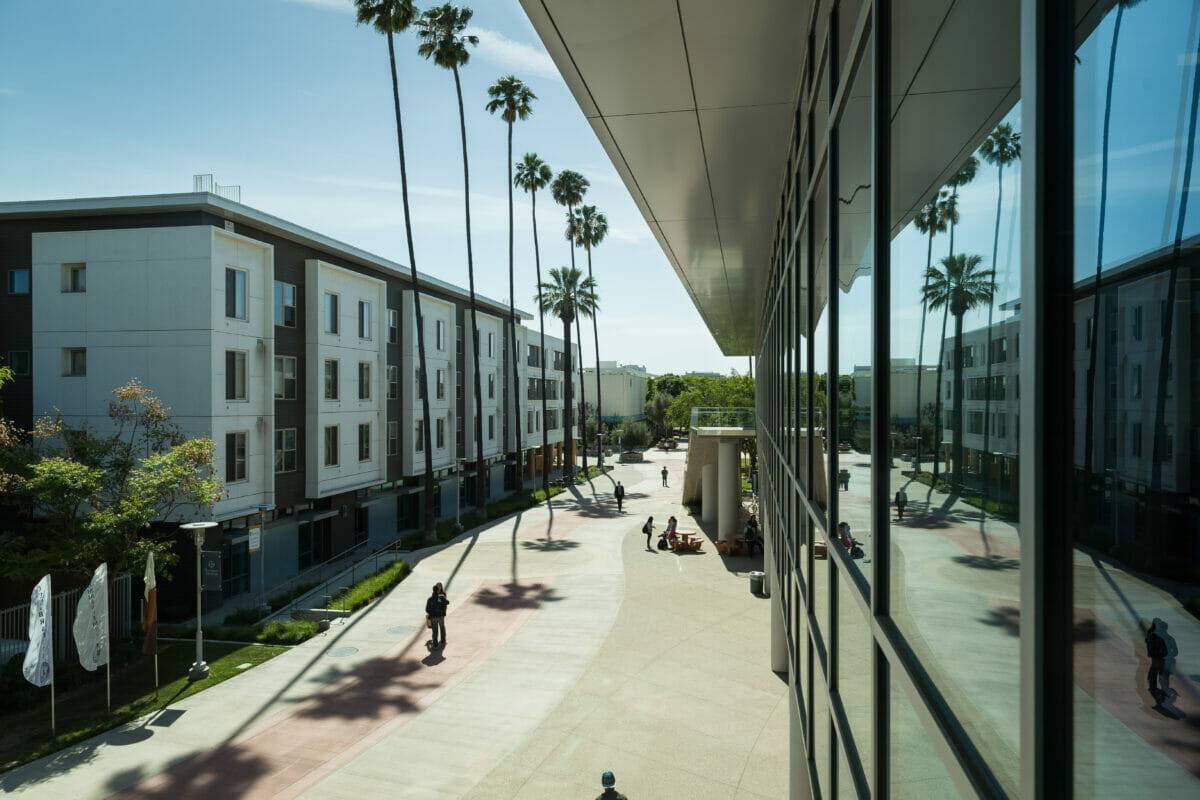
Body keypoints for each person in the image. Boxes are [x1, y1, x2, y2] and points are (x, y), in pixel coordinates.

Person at [1146, 618, 1169, 707]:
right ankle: (1154, 687)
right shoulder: (1154, 634)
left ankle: (1154, 687)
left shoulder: (1153, 633)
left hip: (1157, 655)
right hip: (1158, 655)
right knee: (1157, 670)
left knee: (1155, 670)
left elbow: (1148, 643)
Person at [425, 582, 448, 649]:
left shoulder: (430, 599)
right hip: (441, 616)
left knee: (435, 631)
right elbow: (447, 602)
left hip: (433, 617)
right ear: (438, 590)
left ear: (433, 590)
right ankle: (443, 642)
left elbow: (426, 609)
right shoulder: (442, 597)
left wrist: (430, 613)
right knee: (442, 627)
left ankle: (435, 645)